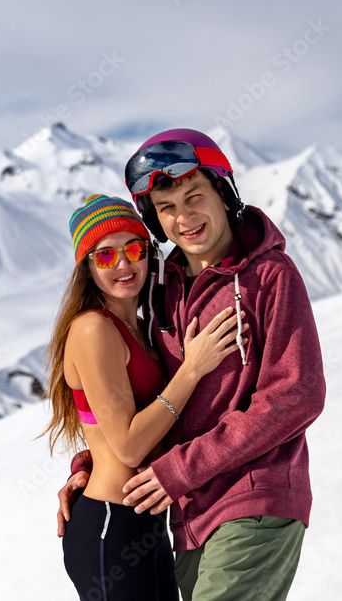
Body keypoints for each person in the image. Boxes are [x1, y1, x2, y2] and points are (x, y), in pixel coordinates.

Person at [56, 129, 327, 601]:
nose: (184, 218)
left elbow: (296, 394)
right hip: (187, 514)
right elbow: (140, 406)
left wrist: (179, 468)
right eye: (167, 209)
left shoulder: (269, 277)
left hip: (253, 501)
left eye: (194, 196)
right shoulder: (165, 287)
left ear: (224, 194)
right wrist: (93, 463)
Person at [43, 193, 246, 600]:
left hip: (145, 524)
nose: (123, 265)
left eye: (134, 249)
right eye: (105, 257)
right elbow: (130, 446)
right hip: (109, 526)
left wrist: (82, 465)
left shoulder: (140, 325)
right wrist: (191, 370)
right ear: (87, 267)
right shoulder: (92, 330)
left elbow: (117, 429)